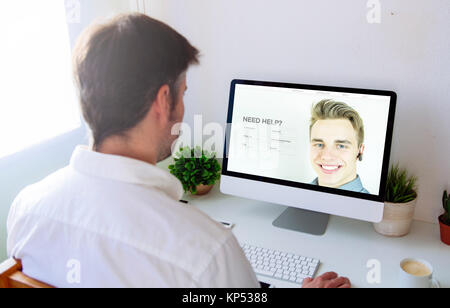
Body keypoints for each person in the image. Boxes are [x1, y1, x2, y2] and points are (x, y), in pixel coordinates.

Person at [7, 13, 350, 288]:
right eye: (183, 93)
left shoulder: (27, 208)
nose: (185, 108)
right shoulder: (205, 251)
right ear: (163, 101)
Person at [309, 99, 369, 194]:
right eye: (319, 144)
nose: (326, 156)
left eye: (341, 146)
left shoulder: (369, 207)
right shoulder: (295, 196)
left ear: (360, 151)